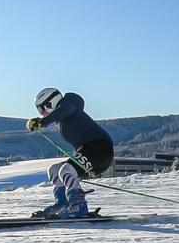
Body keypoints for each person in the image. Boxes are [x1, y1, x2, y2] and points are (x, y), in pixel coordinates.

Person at [26, 88, 114, 218]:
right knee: (55, 170)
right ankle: (63, 203)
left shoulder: (68, 105)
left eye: (41, 109)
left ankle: (79, 206)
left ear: (50, 103)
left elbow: (65, 109)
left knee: (66, 170)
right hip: (91, 152)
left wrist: (42, 122)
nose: (41, 113)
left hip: (100, 148)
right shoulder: (63, 118)